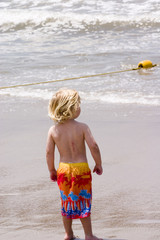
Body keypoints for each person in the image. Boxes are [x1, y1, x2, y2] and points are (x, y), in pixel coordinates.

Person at [46, 88, 103, 240]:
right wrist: (98, 164)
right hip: (81, 170)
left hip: (63, 170)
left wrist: (51, 169)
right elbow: (94, 146)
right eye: (78, 105)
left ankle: (68, 234)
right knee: (83, 201)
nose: (80, 108)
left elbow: (49, 152)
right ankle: (88, 235)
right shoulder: (83, 127)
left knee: (66, 201)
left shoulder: (53, 130)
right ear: (70, 108)